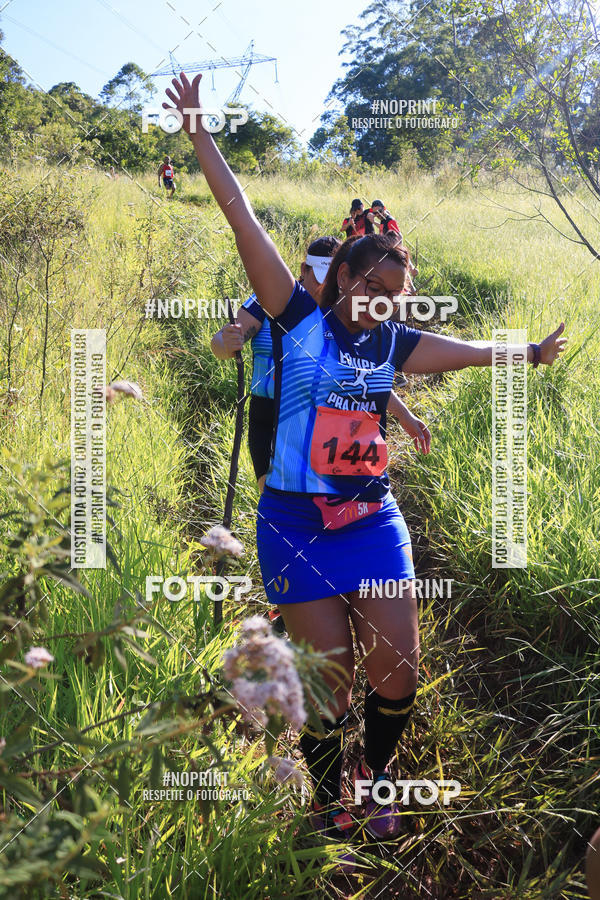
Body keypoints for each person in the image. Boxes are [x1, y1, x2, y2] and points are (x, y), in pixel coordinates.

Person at [164, 72, 567, 865]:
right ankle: (325, 796)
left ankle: (375, 776)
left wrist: (527, 353)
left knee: (397, 673)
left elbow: (470, 355)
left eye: (402, 295)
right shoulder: (295, 315)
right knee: (328, 687)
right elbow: (241, 215)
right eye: (380, 288)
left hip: (372, 521)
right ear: (347, 278)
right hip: (292, 523)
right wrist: (201, 135)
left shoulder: (392, 342)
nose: (391, 304)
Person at [211, 235, 431, 636]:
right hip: (272, 418)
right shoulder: (270, 301)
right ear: (302, 271)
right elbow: (227, 340)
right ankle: (296, 604)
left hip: (325, 420)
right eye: (312, 273)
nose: (317, 281)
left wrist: (403, 414)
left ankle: (331, 594)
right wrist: (225, 343)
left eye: (324, 274)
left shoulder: (338, 313)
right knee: (285, 499)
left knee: (329, 500)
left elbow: (367, 376)